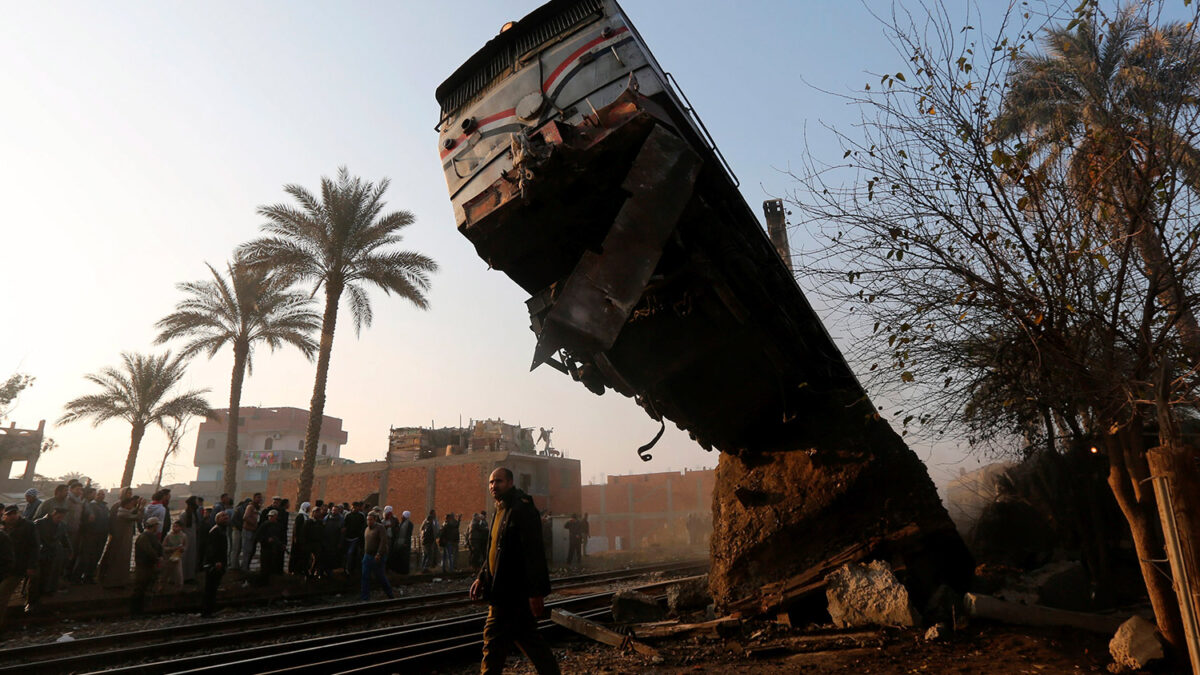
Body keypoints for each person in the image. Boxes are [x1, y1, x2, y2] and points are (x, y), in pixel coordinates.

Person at [470, 468, 559, 675]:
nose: (493, 486)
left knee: (493, 643)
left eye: (498, 481)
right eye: (491, 482)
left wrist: (536, 592)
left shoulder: (521, 509)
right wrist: (482, 577)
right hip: (503, 591)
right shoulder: (500, 509)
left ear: (510, 482)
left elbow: (534, 552)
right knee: (529, 642)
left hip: (512, 592)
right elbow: (494, 548)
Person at [0, 505, 37, 632]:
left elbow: (34, 547)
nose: (12, 516)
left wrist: (31, 565)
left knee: (2, 596)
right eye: (9, 514)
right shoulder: (2, 527)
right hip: (3, 568)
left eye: (14, 513)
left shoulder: (28, 526)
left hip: (17, 567)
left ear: (18, 513)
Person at [99, 495, 144, 588]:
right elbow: (137, 516)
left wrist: (139, 505)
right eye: (131, 504)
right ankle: (115, 581)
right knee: (119, 560)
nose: (132, 506)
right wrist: (142, 507)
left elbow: (133, 512)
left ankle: (120, 580)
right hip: (121, 540)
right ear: (126, 505)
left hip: (124, 539)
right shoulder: (122, 513)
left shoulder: (124, 511)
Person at [32, 506, 71, 605]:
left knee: (54, 572)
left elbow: (64, 538)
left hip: (55, 552)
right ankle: (37, 592)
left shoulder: (62, 525)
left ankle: (49, 590)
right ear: (53, 514)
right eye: (58, 517)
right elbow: (34, 539)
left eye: (62, 517)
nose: (60, 519)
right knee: (40, 574)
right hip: (42, 551)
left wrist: (70, 550)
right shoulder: (39, 523)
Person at [73, 488, 108, 583]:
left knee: (96, 557)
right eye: (99, 494)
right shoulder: (91, 506)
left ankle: (89, 576)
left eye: (103, 494)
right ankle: (77, 576)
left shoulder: (105, 507)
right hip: (91, 534)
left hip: (101, 535)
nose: (101, 496)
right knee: (85, 556)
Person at [360, 510, 394, 601]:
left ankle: (390, 594)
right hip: (367, 556)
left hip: (377, 556)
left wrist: (379, 553)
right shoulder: (367, 529)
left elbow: (383, 541)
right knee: (365, 576)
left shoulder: (380, 528)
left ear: (375, 519)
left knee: (380, 576)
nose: (368, 521)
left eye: (370, 520)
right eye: (367, 520)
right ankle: (365, 598)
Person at [131, 517, 164, 614]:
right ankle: (136, 611)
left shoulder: (150, 536)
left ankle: (142, 611)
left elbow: (159, 548)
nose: (158, 527)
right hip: (143, 567)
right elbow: (150, 551)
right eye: (157, 525)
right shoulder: (144, 537)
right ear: (153, 526)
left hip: (148, 566)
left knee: (145, 589)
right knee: (140, 589)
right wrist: (158, 558)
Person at [202, 511, 229, 616]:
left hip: (218, 564)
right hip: (213, 565)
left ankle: (210, 610)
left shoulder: (221, 530)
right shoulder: (215, 531)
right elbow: (211, 548)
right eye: (223, 516)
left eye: (226, 516)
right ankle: (207, 612)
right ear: (217, 519)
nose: (226, 517)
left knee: (213, 588)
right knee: (210, 588)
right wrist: (216, 562)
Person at [160, 521, 186, 593]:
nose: (175, 528)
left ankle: (179, 588)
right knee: (165, 573)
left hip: (177, 557)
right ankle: (162, 586)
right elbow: (163, 547)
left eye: (177, 526)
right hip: (168, 557)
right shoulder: (168, 536)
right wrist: (172, 549)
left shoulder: (183, 536)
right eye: (174, 526)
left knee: (179, 574)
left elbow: (185, 545)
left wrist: (182, 549)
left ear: (181, 528)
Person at [180, 496, 201, 583]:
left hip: (193, 538)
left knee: (192, 557)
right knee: (185, 557)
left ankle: (190, 576)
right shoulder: (184, 514)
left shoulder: (194, 513)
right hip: (186, 538)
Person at [342, 502, 366, 576]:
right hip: (348, 537)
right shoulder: (348, 515)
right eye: (354, 507)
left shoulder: (361, 516)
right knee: (348, 554)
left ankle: (350, 569)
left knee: (352, 553)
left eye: (356, 507)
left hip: (356, 538)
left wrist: (360, 536)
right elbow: (345, 525)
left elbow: (363, 527)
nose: (355, 508)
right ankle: (347, 568)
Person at [240, 494, 262, 571]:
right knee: (247, 550)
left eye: (260, 498)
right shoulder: (250, 507)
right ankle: (244, 568)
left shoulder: (256, 508)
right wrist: (254, 523)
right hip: (248, 530)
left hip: (253, 531)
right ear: (254, 498)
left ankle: (246, 567)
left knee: (250, 551)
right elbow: (245, 517)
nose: (260, 499)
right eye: (258, 497)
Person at [290, 502, 311, 575]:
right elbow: (296, 528)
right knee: (297, 555)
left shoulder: (306, 516)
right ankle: (295, 570)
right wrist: (296, 538)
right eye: (308, 507)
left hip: (303, 540)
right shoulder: (300, 516)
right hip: (299, 540)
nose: (309, 509)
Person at [391, 510, 413, 574]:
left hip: (405, 543)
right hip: (400, 543)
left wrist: (405, 542)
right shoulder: (402, 523)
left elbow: (408, 534)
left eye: (403, 516)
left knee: (405, 558)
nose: (402, 517)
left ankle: (404, 572)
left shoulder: (409, 524)